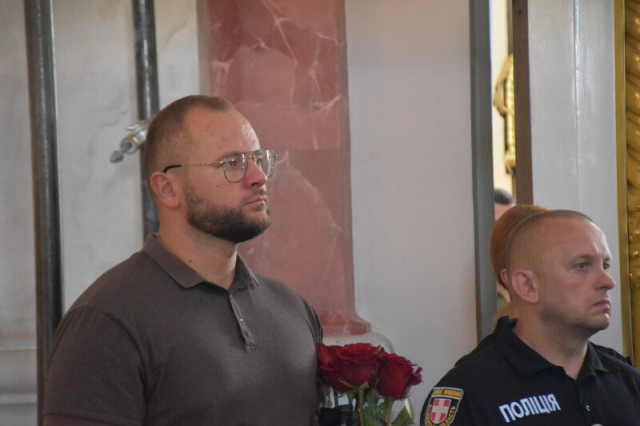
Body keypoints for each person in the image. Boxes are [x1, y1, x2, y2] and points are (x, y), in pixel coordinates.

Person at [42, 95, 323, 425]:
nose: (259, 176)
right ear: (167, 189)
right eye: (232, 163)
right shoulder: (107, 320)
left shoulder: (293, 308)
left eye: (258, 158)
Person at [421, 210, 640, 425]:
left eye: (605, 265)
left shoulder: (629, 382)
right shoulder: (471, 392)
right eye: (581, 266)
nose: (608, 281)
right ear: (527, 285)